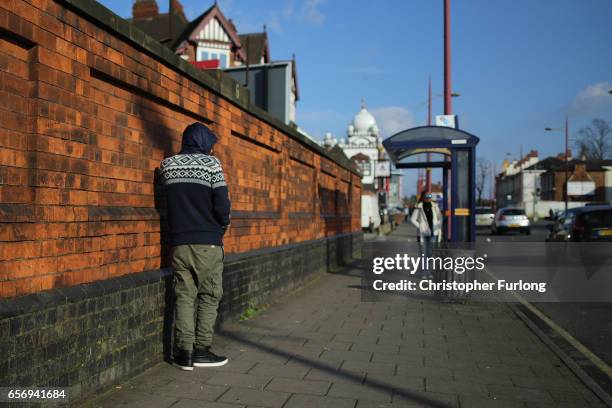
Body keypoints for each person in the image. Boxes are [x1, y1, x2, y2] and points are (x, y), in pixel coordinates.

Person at [159, 122, 231, 371]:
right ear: (203, 143)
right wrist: (222, 226)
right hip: (208, 243)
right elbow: (222, 205)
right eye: (210, 144)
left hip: (179, 243)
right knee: (209, 296)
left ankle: (184, 354)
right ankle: (201, 350)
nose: (212, 150)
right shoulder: (212, 165)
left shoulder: (167, 166)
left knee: (184, 297)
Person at [410, 191, 442, 279]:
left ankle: (430, 272)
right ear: (423, 197)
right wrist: (420, 227)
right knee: (423, 254)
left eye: (430, 195)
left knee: (431, 254)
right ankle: (424, 272)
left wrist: (437, 227)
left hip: (433, 234)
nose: (428, 197)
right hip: (423, 234)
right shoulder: (419, 207)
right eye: (426, 196)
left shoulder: (435, 206)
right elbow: (412, 219)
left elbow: (440, 218)